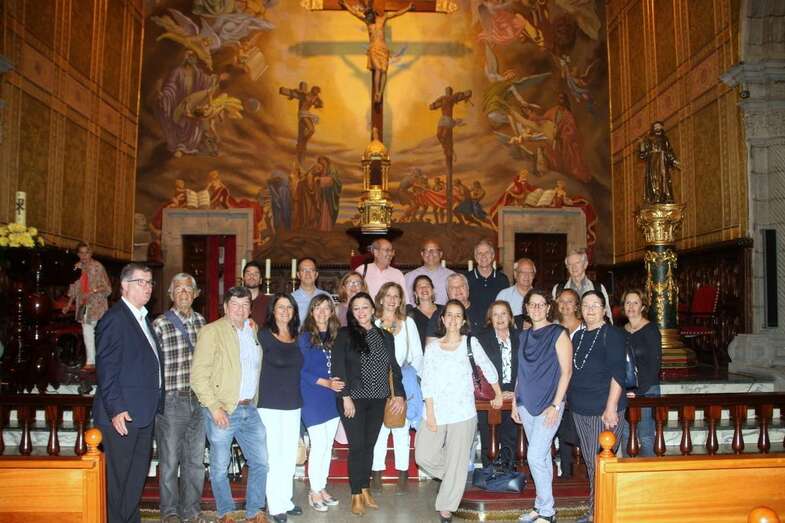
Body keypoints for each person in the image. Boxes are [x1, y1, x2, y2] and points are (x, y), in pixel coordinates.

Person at [415, 300, 502, 523]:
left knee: (457, 459)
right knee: (423, 455)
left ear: (463, 321)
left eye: (458, 315)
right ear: (443, 320)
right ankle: (456, 476)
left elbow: (488, 368)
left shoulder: (470, 343)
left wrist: (498, 393)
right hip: (436, 411)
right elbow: (428, 381)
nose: (453, 319)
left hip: (463, 412)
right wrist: (430, 412)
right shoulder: (432, 347)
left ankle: (446, 509)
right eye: (449, 315)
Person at [191, 287, 269, 523]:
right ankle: (225, 512)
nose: (240, 309)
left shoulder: (253, 330)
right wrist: (214, 407)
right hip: (223, 408)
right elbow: (198, 376)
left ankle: (254, 510)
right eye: (235, 304)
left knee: (261, 462)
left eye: (245, 305)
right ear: (225, 307)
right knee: (219, 466)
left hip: (249, 408)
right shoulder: (211, 331)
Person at [93, 263, 162, 523]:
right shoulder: (115, 319)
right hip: (122, 415)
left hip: (142, 413)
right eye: (140, 282)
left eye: (150, 282)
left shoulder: (143, 319)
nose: (147, 287)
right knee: (117, 480)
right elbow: (106, 369)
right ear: (124, 286)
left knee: (135, 478)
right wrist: (116, 409)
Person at [331, 292, 405, 516]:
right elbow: (338, 368)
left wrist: (399, 394)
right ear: (351, 313)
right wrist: (345, 396)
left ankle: (365, 488)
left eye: (365, 307)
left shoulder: (385, 336)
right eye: (356, 308)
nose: (361, 312)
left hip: (378, 398)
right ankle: (355, 493)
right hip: (353, 399)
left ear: (373, 310)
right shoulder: (344, 334)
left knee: (370, 445)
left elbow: (394, 368)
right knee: (357, 446)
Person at [512, 290, 573, 523]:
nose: (536, 308)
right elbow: (520, 372)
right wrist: (515, 401)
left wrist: (556, 405)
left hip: (550, 404)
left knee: (535, 456)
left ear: (548, 307)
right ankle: (542, 507)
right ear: (526, 308)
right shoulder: (523, 336)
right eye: (532, 304)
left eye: (541, 304)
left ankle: (547, 512)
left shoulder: (558, 333)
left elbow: (567, 372)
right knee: (543, 456)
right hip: (526, 403)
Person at [152, 273, 207, 523]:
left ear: (196, 294)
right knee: (170, 461)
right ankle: (170, 512)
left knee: (195, 461)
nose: (183, 293)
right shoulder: (160, 324)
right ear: (170, 294)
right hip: (172, 400)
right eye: (178, 289)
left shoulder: (202, 323)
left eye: (188, 289)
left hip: (198, 400)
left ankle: (191, 511)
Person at [568, 290, 627, 523]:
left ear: (604, 310)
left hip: (603, 409)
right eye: (585, 305)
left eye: (595, 305)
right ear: (580, 310)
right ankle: (597, 508)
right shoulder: (578, 336)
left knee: (600, 462)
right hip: (580, 408)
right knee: (591, 462)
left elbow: (618, 373)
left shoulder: (612, 334)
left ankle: (598, 512)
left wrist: (611, 406)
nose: (590, 309)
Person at [371, 283, 423, 492]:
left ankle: (403, 473)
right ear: (380, 299)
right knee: (379, 430)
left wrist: (411, 378)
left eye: (396, 296)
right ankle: (376, 472)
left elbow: (417, 355)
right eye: (388, 295)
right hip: (379, 381)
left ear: (401, 300)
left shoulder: (408, 323)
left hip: (403, 381)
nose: (392, 300)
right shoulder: (373, 323)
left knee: (401, 428)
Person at [257, 293, 304, 522]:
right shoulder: (263, 335)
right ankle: (275, 505)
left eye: (289, 307)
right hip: (270, 405)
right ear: (273, 311)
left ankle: (285, 499)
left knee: (288, 455)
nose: (285, 311)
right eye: (280, 307)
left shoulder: (297, 336)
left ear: (294, 311)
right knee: (274, 456)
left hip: (293, 404)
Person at [298, 295, 344, 512]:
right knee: (318, 444)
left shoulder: (336, 336)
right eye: (318, 308)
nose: (322, 312)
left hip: (331, 397)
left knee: (327, 446)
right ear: (311, 311)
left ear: (332, 312)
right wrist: (326, 382)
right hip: (312, 396)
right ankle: (314, 492)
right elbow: (300, 370)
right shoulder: (304, 337)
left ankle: (321, 486)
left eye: (327, 308)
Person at [476, 300, 520, 467]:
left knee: (511, 437)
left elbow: (525, 367)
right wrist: (497, 393)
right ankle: (488, 472)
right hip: (490, 395)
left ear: (510, 317)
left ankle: (509, 471)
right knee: (488, 438)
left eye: (503, 314)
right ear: (490, 318)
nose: (500, 318)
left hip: (514, 393)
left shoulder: (520, 337)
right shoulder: (481, 339)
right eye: (495, 314)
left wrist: (516, 392)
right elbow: (480, 369)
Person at [621, 289, 661, 457]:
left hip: (647, 389)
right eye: (627, 302)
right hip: (625, 390)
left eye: (635, 302)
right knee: (624, 434)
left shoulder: (650, 330)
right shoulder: (621, 330)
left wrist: (638, 391)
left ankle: (649, 471)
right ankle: (627, 471)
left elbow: (654, 366)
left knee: (645, 435)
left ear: (643, 307)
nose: (631, 306)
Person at [63, 242, 111, 369]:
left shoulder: (97, 266)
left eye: (87, 252)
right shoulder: (77, 267)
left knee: (92, 330)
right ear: (78, 254)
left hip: (96, 304)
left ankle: (95, 361)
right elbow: (74, 289)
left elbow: (107, 287)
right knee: (87, 330)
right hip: (83, 305)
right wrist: (68, 305)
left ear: (91, 253)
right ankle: (91, 361)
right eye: (81, 253)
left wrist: (93, 291)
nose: (84, 256)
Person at [552, 288, 583, 478]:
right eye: (561, 301)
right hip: (559, 387)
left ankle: (581, 473)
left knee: (580, 431)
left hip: (581, 387)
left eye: (569, 301)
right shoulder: (552, 328)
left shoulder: (585, 327)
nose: (565, 305)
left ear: (577, 305)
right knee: (563, 431)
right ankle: (565, 474)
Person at [552, 249, 612, 324]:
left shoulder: (598, 288)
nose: (574, 267)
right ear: (567, 267)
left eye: (577, 263)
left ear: (585, 264)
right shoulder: (558, 289)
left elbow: (608, 315)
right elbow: (555, 317)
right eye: (570, 264)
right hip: (566, 330)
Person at [465, 240, 509, 319]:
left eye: (487, 252)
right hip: (472, 323)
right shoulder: (466, 279)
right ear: (475, 257)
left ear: (493, 255)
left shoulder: (503, 279)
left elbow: (506, 306)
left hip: (496, 322)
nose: (483, 256)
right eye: (480, 253)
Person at [356, 238, 409, 303]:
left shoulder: (397, 274)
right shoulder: (362, 270)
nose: (390, 254)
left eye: (392, 251)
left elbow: (405, 299)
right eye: (387, 250)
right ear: (375, 252)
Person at [404, 240, 454, 305]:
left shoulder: (451, 276)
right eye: (427, 251)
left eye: (434, 251)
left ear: (441, 254)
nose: (430, 253)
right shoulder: (409, 277)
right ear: (422, 254)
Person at [406, 275, 444, 350]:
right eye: (419, 286)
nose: (424, 288)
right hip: (420, 356)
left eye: (427, 285)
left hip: (445, 355)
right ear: (415, 293)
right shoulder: (409, 315)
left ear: (432, 290)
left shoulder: (445, 310)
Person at [496, 257, 536, 325]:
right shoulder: (504, 296)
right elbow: (496, 321)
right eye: (522, 272)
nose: (526, 276)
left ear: (534, 276)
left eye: (530, 272)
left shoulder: (540, 297)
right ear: (515, 274)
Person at [291, 258, 330, 322]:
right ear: (298, 275)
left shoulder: (326, 296)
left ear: (316, 274)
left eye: (311, 270)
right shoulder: (291, 298)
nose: (308, 273)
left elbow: (332, 321)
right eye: (303, 270)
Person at [243, 261, 269, 327]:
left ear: (260, 280)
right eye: (248, 273)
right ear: (243, 279)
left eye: (255, 274)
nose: (252, 276)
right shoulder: (236, 301)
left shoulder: (269, 302)